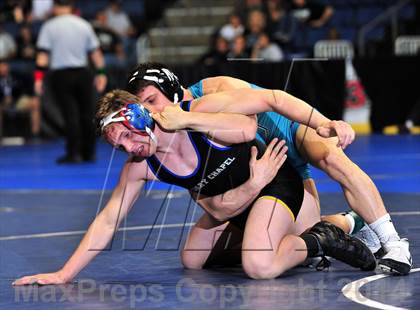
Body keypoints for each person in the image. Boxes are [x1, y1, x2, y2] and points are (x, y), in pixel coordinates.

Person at [12, 87, 375, 285]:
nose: (128, 148)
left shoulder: (195, 112)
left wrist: (187, 119)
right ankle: (332, 225)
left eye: (126, 136)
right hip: (238, 201)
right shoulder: (141, 165)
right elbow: (108, 220)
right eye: (118, 145)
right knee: (194, 259)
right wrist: (64, 274)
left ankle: (320, 239)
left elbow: (249, 128)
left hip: (272, 182)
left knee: (259, 266)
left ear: (140, 115)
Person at [126, 63, 413, 275]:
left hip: (285, 133)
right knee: (296, 232)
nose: (149, 112)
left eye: (151, 101)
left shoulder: (213, 92)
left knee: (331, 158)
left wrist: (323, 123)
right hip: (265, 167)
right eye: (143, 106)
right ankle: (350, 221)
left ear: (172, 92)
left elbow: (272, 103)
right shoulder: (175, 125)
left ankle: (393, 243)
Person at [34, 0, 107, 163]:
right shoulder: (83, 25)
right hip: (83, 73)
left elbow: (42, 56)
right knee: (86, 113)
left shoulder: (49, 26)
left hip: (61, 75)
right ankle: (89, 152)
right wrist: (101, 73)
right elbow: (96, 53)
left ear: (56, 7)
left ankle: (73, 153)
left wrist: (38, 79)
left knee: (70, 114)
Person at [0, 58, 40, 139]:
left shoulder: (17, 76)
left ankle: (35, 135)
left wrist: (15, 97)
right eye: (0, 66)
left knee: (35, 103)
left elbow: (26, 88)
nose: (3, 68)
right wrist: (3, 100)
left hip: (17, 101)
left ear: (8, 66)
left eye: (4, 66)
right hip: (2, 104)